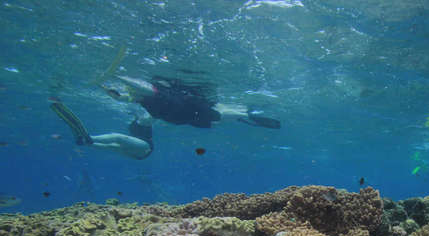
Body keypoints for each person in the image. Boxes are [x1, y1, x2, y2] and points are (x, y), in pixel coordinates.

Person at [104, 75, 281, 129]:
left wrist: (118, 76)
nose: (130, 94)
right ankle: (248, 116)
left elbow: (140, 86)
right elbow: (122, 97)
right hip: (185, 115)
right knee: (217, 116)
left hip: (187, 112)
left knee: (218, 116)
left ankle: (249, 115)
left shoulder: (152, 94)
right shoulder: (142, 98)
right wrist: (106, 88)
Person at [50, 101, 154, 160]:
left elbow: (148, 117)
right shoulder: (136, 120)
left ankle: (88, 139)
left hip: (145, 147)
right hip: (139, 154)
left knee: (117, 137)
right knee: (111, 146)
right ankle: (85, 142)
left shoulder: (146, 118)